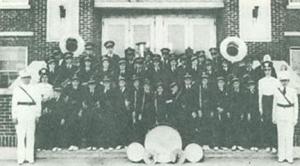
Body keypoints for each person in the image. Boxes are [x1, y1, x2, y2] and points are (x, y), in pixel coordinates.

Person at [12, 70, 42, 165]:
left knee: (30, 136)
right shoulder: (17, 89)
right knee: (21, 136)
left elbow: (38, 102)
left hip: (31, 112)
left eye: (28, 77)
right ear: (21, 79)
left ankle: (30, 158)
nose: (26, 79)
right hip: (21, 112)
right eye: (24, 78)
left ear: (30, 78)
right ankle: (21, 158)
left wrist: (37, 114)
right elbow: (14, 103)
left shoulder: (35, 88)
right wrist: (14, 115)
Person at [273, 71, 298, 163]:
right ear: (280, 81)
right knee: (281, 136)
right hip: (280, 114)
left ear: (288, 81)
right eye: (282, 80)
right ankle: (281, 156)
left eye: (286, 80)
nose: (284, 82)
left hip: (289, 114)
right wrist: (274, 116)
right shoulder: (276, 90)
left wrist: (295, 118)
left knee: (289, 136)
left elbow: (296, 106)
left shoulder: (292, 91)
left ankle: (289, 156)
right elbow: (274, 104)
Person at [258, 61, 280, 153]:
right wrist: (260, 108)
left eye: (269, 69)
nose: (267, 71)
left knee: (273, 123)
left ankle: (274, 145)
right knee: (266, 123)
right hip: (265, 101)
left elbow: (277, 95)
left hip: (273, 101)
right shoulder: (261, 81)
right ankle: (267, 144)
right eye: (265, 70)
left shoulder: (276, 81)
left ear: (271, 70)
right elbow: (260, 95)